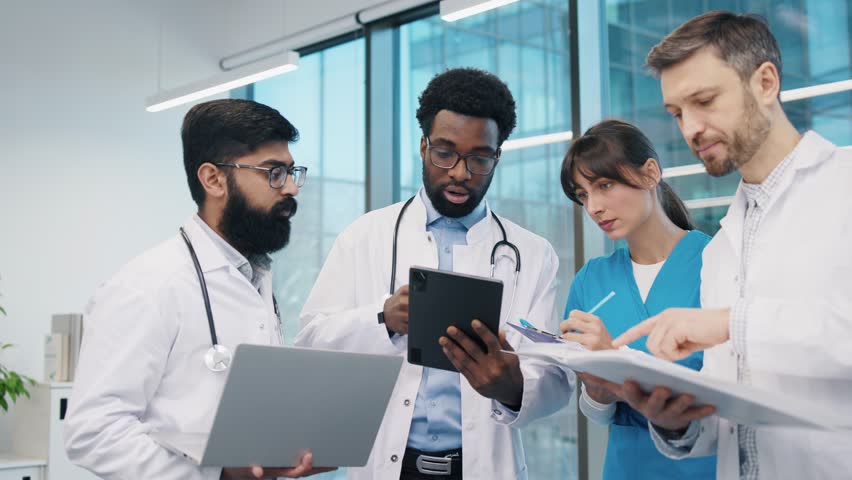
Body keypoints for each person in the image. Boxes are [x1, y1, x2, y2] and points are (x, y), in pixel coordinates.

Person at [295, 67, 573, 480]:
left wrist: (512, 384)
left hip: (480, 466)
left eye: (479, 158)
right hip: (390, 463)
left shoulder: (532, 254)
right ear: (423, 146)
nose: (460, 172)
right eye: (445, 153)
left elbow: (555, 378)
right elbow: (311, 343)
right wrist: (382, 318)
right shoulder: (365, 235)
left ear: (498, 156)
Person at [609, 11, 852, 479]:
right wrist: (675, 421)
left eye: (704, 100)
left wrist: (730, 323)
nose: (690, 129)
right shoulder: (721, 249)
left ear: (764, 83)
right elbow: (729, 424)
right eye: (677, 113)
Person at [64, 99, 332, 479]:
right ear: (213, 179)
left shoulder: (255, 274)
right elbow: (92, 431)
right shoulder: (147, 285)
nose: (291, 189)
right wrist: (217, 474)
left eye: (292, 172)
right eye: (273, 173)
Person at [558, 119, 716, 479]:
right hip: (625, 467)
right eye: (583, 195)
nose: (594, 207)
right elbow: (598, 414)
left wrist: (617, 360)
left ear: (650, 173)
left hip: (704, 467)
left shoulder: (717, 263)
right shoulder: (591, 280)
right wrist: (598, 390)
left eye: (605, 185)